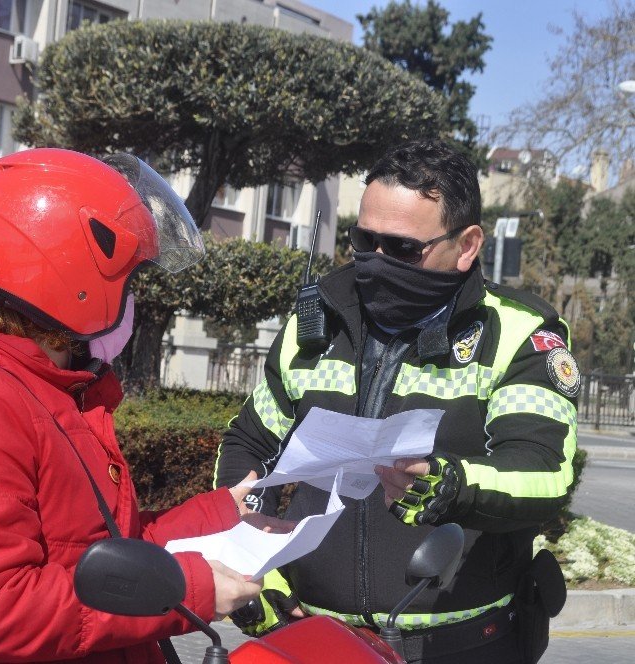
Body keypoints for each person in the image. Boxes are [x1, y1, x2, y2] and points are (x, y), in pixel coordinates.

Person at [0, 148, 289, 663]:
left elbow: (112, 546)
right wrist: (189, 591)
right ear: (68, 278)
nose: (131, 301)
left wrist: (220, 514)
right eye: (127, 282)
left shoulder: (53, 391)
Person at [215, 139, 578, 664]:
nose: (377, 263)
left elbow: (545, 473)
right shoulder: (316, 323)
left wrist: (450, 484)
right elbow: (247, 446)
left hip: (464, 646)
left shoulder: (520, 333)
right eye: (365, 241)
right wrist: (254, 571)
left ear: (468, 244)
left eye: (404, 249)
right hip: (312, 640)